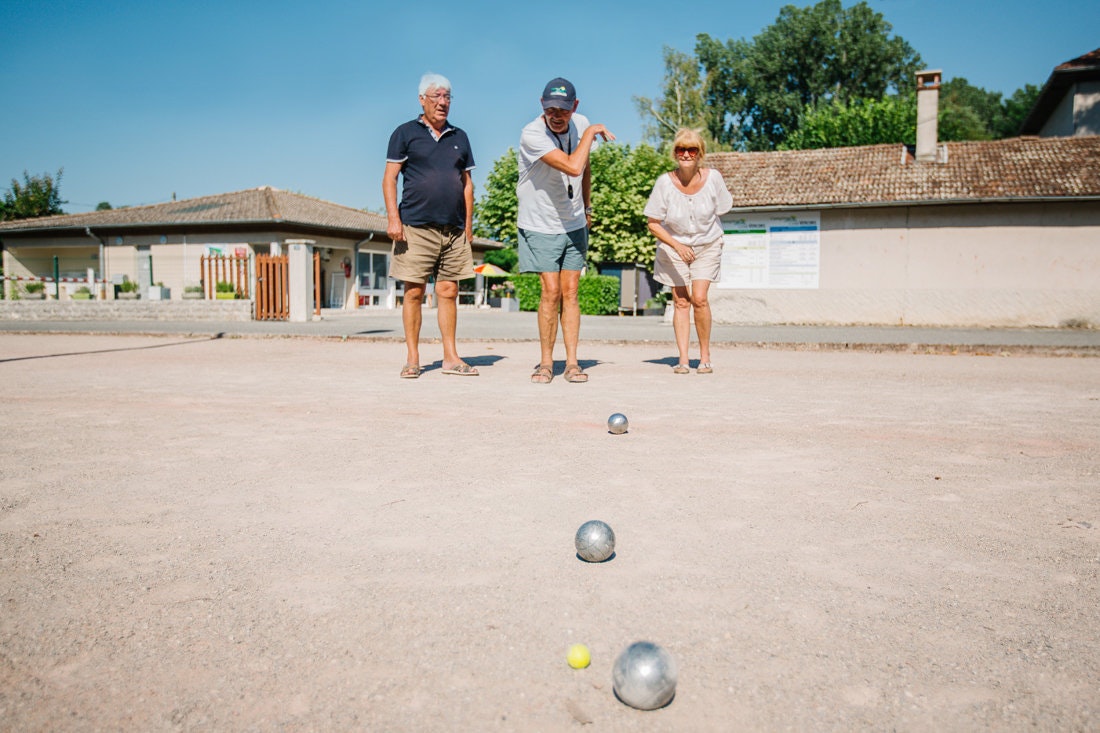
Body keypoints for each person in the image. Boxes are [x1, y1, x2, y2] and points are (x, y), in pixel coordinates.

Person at [517, 77, 615, 384]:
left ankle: (572, 363)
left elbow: (584, 168)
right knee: (551, 291)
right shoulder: (532, 133)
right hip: (540, 222)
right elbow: (572, 165)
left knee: (571, 292)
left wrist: (586, 208)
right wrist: (589, 133)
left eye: (563, 109)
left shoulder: (580, 124)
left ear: (574, 106)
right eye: (550, 109)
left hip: (573, 222)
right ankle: (546, 363)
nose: (556, 115)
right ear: (542, 105)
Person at [383, 72, 478, 378]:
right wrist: (393, 219)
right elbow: (389, 179)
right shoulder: (404, 133)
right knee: (413, 292)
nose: (442, 102)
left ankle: (450, 357)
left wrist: (469, 226)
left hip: (453, 229)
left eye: (447, 97)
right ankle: (413, 358)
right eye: (436, 96)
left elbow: (467, 185)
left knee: (449, 290)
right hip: (415, 227)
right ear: (422, 99)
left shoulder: (460, 137)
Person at [644, 128, 733, 374]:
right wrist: (678, 245)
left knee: (700, 298)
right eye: (681, 150)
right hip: (674, 246)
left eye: (691, 150)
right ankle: (683, 359)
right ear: (675, 153)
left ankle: (704, 356)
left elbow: (723, 207)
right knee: (681, 301)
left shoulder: (713, 178)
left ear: (700, 154)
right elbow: (653, 223)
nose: (686, 154)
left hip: (708, 245)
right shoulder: (664, 182)